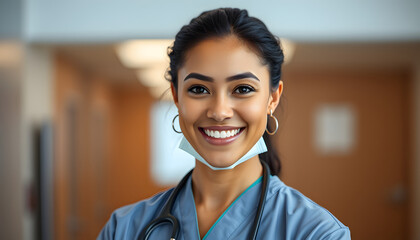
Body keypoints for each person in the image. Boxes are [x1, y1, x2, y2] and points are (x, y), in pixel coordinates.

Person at [98, 8, 351, 239]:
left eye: (242, 88)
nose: (219, 112)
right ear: (176, 96)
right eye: (198, 89)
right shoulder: (124, 229)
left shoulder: (317, 232)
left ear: (272, 98)